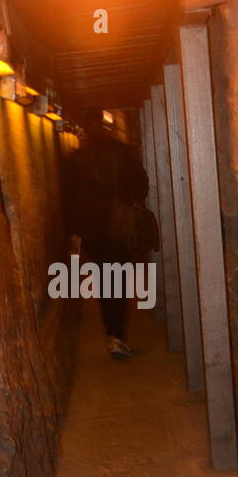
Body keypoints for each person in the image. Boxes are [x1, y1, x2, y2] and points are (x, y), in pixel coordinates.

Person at [63, 107, 153, 359]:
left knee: (104, 282)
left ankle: (112, 335)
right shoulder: (123, 153)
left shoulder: (77, 158)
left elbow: (68, 198)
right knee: (121, 281)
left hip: (93, 231)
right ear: (104, 125)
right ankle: (118, 337)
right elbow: (141, 183)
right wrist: (130, 200)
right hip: (120, 226)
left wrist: (74, 231)